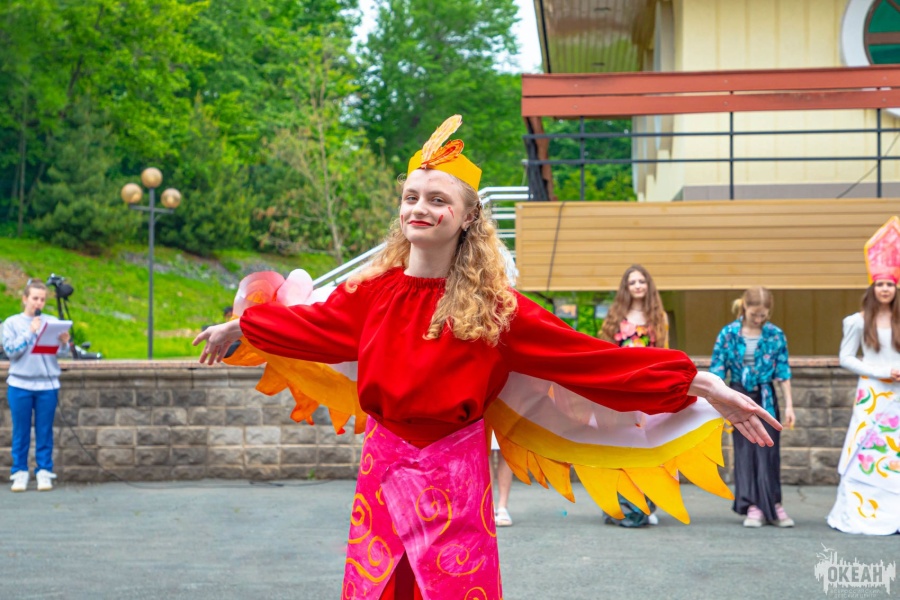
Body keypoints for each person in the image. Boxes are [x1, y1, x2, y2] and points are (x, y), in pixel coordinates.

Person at [194, 115, 780, 600]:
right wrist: (240, 326)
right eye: (411, 197)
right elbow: (309, 327)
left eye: (437, 199)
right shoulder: (371, 294)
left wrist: (703, 384)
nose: (420, 208)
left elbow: (593, 360)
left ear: (469, 216)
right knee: (378, 589)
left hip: (455, 474)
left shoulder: (499, 310)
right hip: (383, 468)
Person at [827, 217, 900, 535]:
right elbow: (845, 358)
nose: (885, 289)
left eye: (890, 285)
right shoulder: (856, 321)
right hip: (872, 396)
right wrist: (881, 372)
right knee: (866, 449)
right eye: (880, 284)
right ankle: (860, 513)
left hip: (899, 396)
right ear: (872, 287)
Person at [710, 287, 795, 528]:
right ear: (744, 307)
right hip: (738, 397)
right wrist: (717, 403)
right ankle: (753, 506)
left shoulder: (775, 335)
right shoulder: (728, 333)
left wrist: (789, 406)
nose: (758, 319)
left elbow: (783, 372)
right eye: (754, 314)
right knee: (745, 451)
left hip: (766, 397)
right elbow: (717, 370)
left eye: (763, 315)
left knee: (768, 451)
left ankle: (774, 505)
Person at [598, 264, 669, 526]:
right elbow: (605, 354)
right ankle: (619, 506)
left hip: (649, 392)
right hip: (621, 392)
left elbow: (664, 353)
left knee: (648, 449)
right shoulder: (615, 316)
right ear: (626, 288)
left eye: (641, 281)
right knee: (621, 449)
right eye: (632, 282)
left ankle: (646, 506)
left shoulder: (659, 317)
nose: (637, 286)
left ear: (648, 285)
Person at [3, 279, 70, 492]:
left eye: (42, 299)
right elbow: (11, 351)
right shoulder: (11, 323)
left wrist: (64, 342)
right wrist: (30, 332)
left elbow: (62, 353)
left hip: (47, 385)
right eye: (34, 298)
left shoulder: (51, 322)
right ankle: (19, 472)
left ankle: (44, 471)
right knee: (21, 431)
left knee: (44, 430)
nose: (38, 303)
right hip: (20, 384)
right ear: (25, 299)